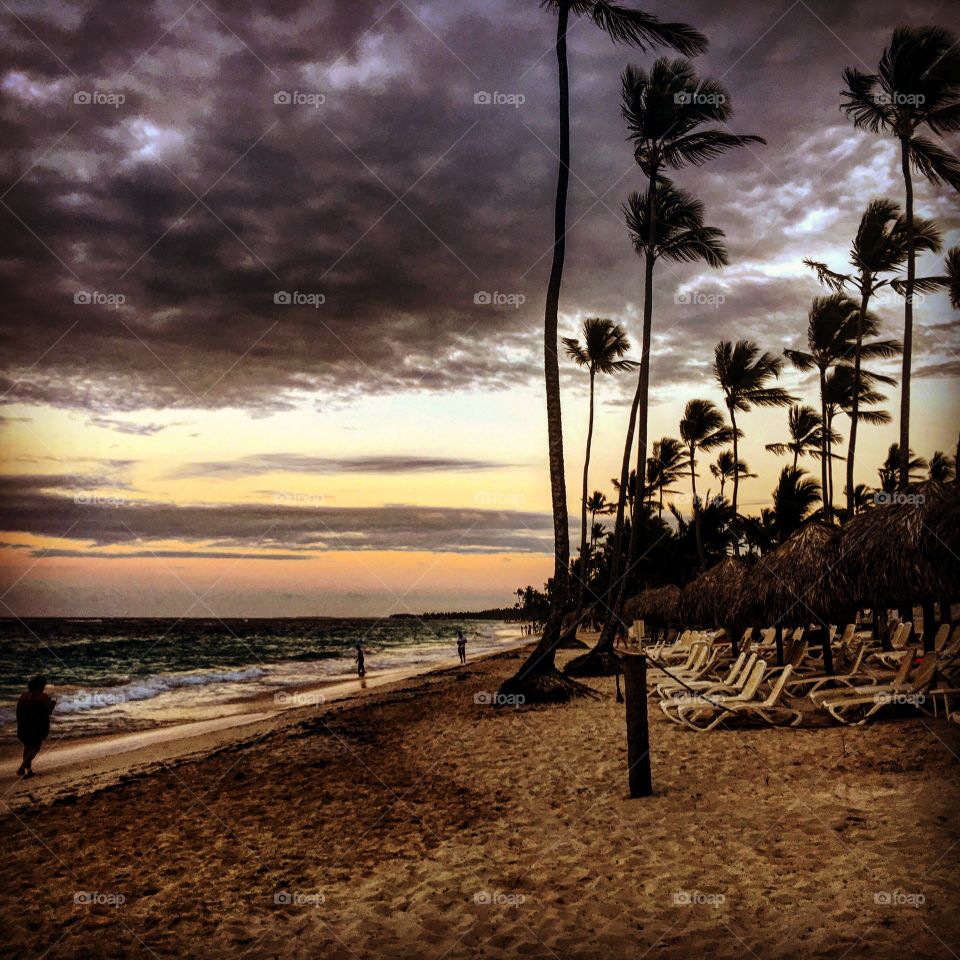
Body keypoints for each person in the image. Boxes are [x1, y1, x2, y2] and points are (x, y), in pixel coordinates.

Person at [16, 675, 56, 777]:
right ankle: (21, 768)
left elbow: (19, 712)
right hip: (36, 726)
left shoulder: (23, 696)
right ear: (40, 686)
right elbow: (49, 711)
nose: (44, 687)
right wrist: (52, 704)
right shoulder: (43, 696)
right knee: (36, 747)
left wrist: (20, 723)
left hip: (24, 725)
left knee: (27, 747)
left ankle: (29, 771)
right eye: (43, 685)